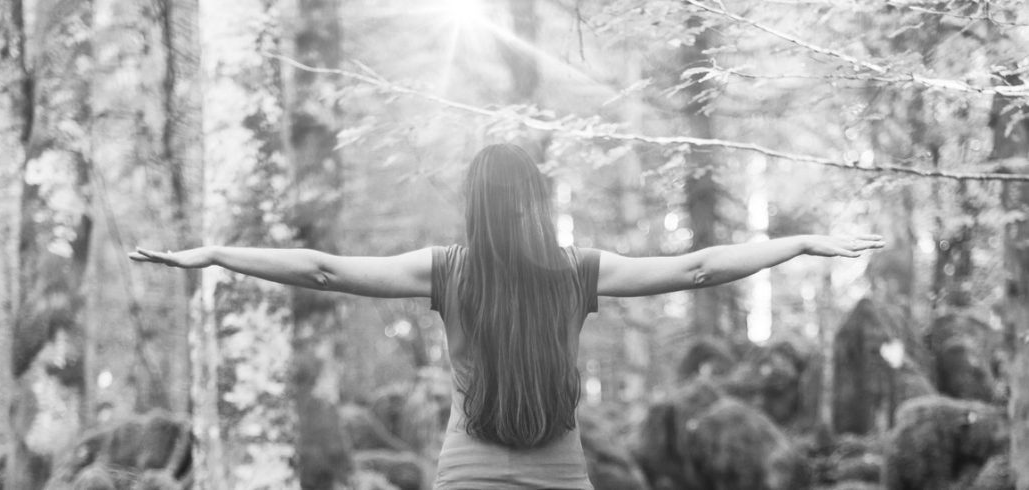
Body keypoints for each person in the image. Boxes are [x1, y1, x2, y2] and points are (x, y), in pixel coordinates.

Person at [129, 143, 884, 489]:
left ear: (473, 206)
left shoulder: (447, 270)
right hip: (558, 472)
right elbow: (697, 266)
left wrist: (221, 253)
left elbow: (325, 269)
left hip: (471, 471)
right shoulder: (574, 273)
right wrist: (800, 243)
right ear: (536, 202)